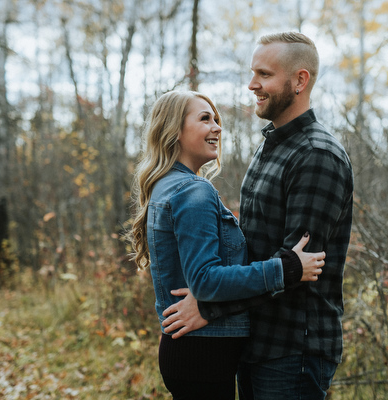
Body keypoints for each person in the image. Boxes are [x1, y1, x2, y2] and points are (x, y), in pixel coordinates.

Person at [163, 32, 354, 400]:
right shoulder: (271, 147)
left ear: (300, 80)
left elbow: (297, 267)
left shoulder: (317, 155)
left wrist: (211, 306)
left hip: (293, 348)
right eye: (253, 74)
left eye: (264, 75)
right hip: (256, 341)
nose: (252, 85)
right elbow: (257, 255)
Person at [128, 90, 327, 400]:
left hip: (194, 351)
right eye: (205, 119)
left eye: (216, 119)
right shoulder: (193, 191)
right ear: (174, 131)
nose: (217, 127)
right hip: (203, 352)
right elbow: (206, 280)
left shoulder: (166, 185)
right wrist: (285, 269)